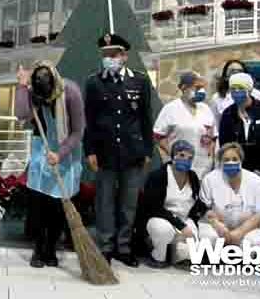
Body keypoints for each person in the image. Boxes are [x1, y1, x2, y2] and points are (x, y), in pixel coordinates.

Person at [85, 33, 154, 267]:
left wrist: (147, 151)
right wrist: (90, 151)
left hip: (132, 152)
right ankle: (105, 246)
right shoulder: (94, 82)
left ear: (124, 56)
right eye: (105, 55)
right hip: (104, 153)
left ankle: (123, 247)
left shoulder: (140, 81)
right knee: (104, 202)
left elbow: (146, 118)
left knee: (128, 203)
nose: (109, 58)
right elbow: (90, 120)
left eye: (113, 54)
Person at [15, 61, 85, 268]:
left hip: (66, 150)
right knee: (38, 203)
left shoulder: (71, 92)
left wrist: (60, 154)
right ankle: (38, 248)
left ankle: (51, 248)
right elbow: (21, 114)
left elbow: (78, 131)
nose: (45, 100)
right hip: (42, 148)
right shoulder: (34, 91)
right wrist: (21, 86)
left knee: (57, 205)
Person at [135, 140, 207, 269]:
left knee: (193, 249)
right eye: (181, 155)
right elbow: (154, 208)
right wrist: (181, 225)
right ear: (173, 156)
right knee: (163, 230)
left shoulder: (193, 177)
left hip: (184, 218)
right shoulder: (158, 176)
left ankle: (177, 255)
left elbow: (197, 203)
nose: (186, 160)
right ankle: (157, 256)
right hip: (160, 218)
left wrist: (197, 218)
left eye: (190, 157)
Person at [198, 143, 260, 252]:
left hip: (247, 229)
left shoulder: (256, 181)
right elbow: (204, 209)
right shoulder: (210, 179)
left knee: (253, 244)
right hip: (218, 228)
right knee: (209, 239)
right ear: (220, 162)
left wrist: (239, 232)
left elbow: (259, 215)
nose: (231, 162)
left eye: (235, 159)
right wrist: (218, 226)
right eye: (226, 159)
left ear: (241, 160)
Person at [154, 71, 216, 178]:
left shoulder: (206, 109)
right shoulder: (171, 109)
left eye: (202, 87)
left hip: (203, 167)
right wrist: (173, 154)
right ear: (184, 87)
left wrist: (211, 156)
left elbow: (214, 136)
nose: (201, 91)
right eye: (197, 87)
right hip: (179, 165)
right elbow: (158, 136)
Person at [218, 73, 260, 186]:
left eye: (241, 88)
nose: (237, 92)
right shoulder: (228, 114)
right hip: (237, 172)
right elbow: (225, 145)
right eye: (233, 89)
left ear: (249, 89)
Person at [210, 60, 260, 124]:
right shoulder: (217, 98)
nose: (236, 73)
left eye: (240, 71)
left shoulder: (256, 94)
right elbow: (216, 123)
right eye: (232, 71)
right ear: (225, 76)